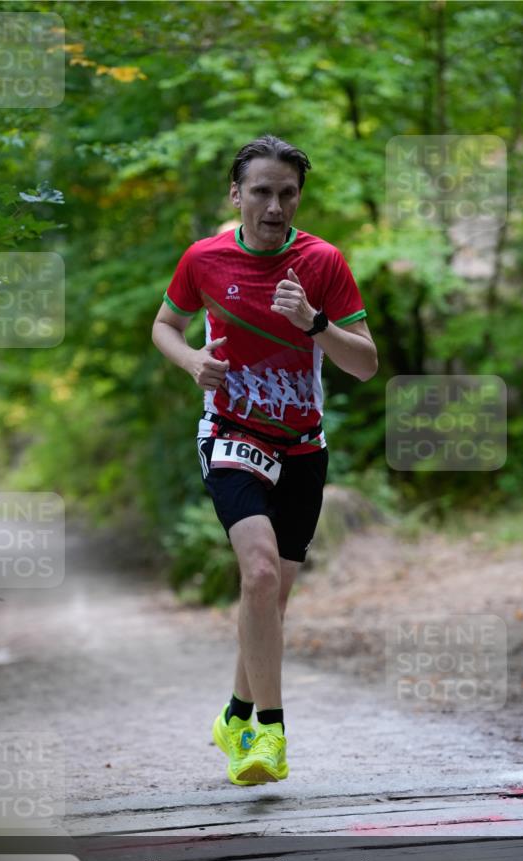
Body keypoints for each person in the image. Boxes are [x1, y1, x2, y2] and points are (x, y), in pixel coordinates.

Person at [152, 135, 378, 786]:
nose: (274, 206)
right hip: (230, 432)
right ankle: (268, 734)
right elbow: (164, 325)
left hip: (302, 444)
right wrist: (191, 360)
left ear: (297, 198)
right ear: (236, 194)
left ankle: (234, 711)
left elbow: (364, 365)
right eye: (261, 192)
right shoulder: (203, 259)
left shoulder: (322, 262)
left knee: (270, 603)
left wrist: (314, 323)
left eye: (286, 194)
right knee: (257, 575)